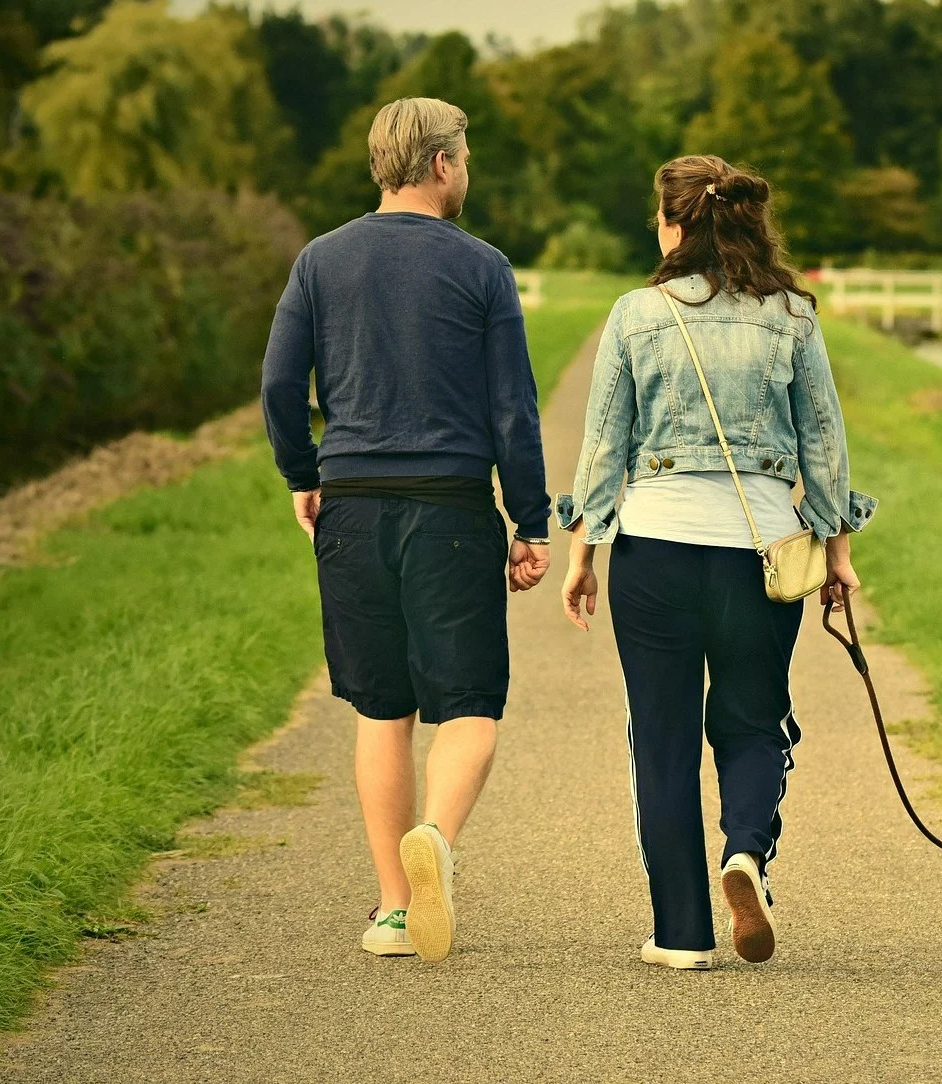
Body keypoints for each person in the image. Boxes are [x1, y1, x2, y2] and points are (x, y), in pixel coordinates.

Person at [558, 155, 876, 969]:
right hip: (760, 554)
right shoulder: (793, 317)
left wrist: (582, 554)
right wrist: (836, 553)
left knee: (660, 739)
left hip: (653, 550)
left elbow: (604, 448)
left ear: (675, 224)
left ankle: (681, 936)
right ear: (743, 221)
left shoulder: (635, 314)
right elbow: (825, 446)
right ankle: (745, 852)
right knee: (751, 720)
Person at [261, 97, 551, 962]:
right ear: (437, 165)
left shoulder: (319, 261)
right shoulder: (482, 268)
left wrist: (302, 476)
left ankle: (393, 906)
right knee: (467, 706)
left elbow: (280, 386)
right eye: (463, 158)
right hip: (450, 509)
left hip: (351, 503)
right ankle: (436, 837)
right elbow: (513, 410)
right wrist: (529, 522)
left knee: (381, 709)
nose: (466, 172)